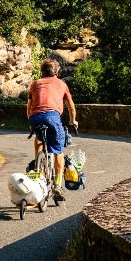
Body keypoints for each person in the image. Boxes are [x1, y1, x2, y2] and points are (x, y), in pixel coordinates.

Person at [26, 58, 78, 200]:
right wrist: (73, 120)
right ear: (57, 71)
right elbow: (70, 105)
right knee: (58, 151)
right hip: (52, 117)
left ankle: (38, 167)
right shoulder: (61, 84)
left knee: (38, 139)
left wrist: (30, 122)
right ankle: (57, 185)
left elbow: (29, 105)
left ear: (42, 71)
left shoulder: (35, 84)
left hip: (35, 117)